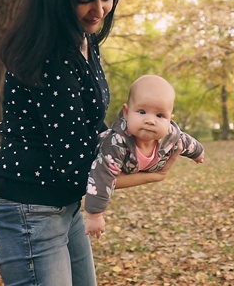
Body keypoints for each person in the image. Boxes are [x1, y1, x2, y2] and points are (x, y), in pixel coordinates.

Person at [0, 0, 181, 285]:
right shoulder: (51, 57)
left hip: (65, 205)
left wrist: (142, 140)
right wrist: (153, 174)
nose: (99, 9)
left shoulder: (84, 41)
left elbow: (88, 128)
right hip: (28, 210)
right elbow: (76, 169)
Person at [84, 75, 206, 238]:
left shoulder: (170, 137)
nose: (150, 120)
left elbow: (186, 141)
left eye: (160, 116)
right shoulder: (115, 143)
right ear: (126, 113)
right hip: (92, 167)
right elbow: (101, 176)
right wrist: (95, 215)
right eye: (142, 112)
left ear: (170, 120)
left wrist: (198, 152)